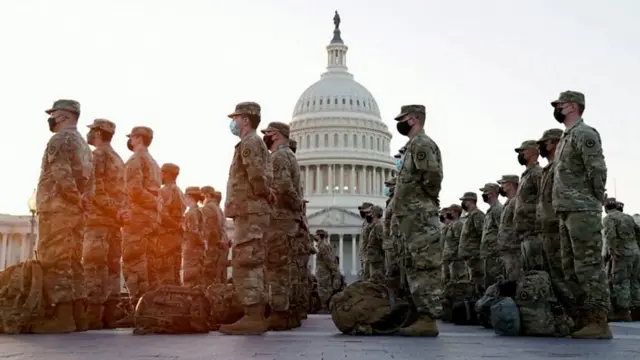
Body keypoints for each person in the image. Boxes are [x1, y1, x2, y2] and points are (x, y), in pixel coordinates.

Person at [551, 90, 611, 339]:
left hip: (582, 208)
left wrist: (593, 199)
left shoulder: (585, 134)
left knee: (588, 266)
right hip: (566, 209)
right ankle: (583, 318)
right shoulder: (567, 137)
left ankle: (599, 321)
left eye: (561, 105)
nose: (557, 108)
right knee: (570, 267)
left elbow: (597, 169)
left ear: (574, 106)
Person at [34, 99, 93, 333]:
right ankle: (79, 316)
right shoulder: (84, 145)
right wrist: (83, 202)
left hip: (57, 207)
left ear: (65, 117)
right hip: (76, 212)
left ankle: (62, 317)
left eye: (54, 114)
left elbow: (61, 173)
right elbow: (91, 182)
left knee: (55, 260)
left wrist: (73, 198)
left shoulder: (59, 139)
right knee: (73, 261)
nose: (50, 118)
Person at [221, 102, 274, 335]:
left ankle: (253, 316)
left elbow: (255, 176)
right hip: (252, 210)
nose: (233, 122)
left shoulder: (250, 143)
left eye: (236, 117)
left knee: (246, 261)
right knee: (252, 260)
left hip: (249, 211)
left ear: (245, 119)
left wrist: (264, 193)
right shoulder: (254, 143)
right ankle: (254, 314)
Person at [392, 104, 443, 336]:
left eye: (402, 119)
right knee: (414, 266)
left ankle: (428, 318)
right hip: (412, 216)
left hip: (420, 215)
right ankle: (418, 314)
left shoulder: (422, 144)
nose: (399, 123)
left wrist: (424, 200)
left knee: (425, 266)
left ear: (413, 119)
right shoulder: (411, 146)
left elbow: (432, 176)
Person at [83, 118, 127, 330]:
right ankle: (109, 315)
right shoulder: (118, 158)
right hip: (114, 222)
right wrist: (119, 212)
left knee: (94, 266)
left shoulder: (97, 155)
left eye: (91, 131)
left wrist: (111, 209)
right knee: (111, 267)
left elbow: (96, 187)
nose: (89, 134)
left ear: (99, 133)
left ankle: (93, 316)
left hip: (99, 220)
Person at [261, 121, 303, 330]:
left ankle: (279, 314)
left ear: (276, 135)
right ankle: (287, 313)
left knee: (276, 268)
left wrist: (295, 206)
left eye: (267, 133)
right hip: (287, 219)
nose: (265, 137)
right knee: (284, 268)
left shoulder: (279, 156)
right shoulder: (289, 156)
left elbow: (284, 186)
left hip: (279, 219)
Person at [118, 126, 162, 327]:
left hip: (137, 216)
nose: (130, 141)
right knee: (149, 263)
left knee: (132, 262)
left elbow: (133, 190)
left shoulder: (136, 160)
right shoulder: (153, 162)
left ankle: (139, 308)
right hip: (151, 218)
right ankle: (150, 307)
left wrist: (150, 202)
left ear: (137, 138)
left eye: (131, 137)